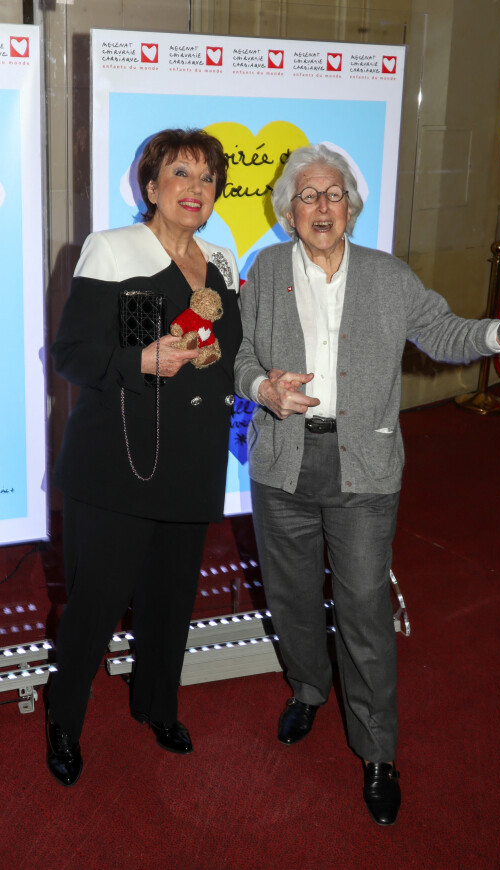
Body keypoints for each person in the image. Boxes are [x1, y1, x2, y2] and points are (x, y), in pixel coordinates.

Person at [233, 143, 500, 826]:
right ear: (288, 212)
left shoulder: (388, 276)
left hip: (364, 467)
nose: (321, 206)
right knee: (292, 596)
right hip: (283, 465)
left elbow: (442, 332)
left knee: (363, 610)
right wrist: (262, 386)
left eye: (333, 195)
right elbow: (241, 355)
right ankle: (306, 689)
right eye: (308, 196)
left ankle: (378, 750)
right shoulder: (264, 270)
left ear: (351, 207)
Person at [47, 128, 242, 786]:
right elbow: (70, 356)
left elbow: (224, 354)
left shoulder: (221, 257)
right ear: (151, 187)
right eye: (181, 174)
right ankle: (64, 722)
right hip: (117, 463)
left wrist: (251, 378)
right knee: (97, 604)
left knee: (170, 598)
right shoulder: (112, 248)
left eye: (207, 178)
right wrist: (141, 360)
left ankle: (157, 704)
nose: (196, 188)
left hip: (191, 459)